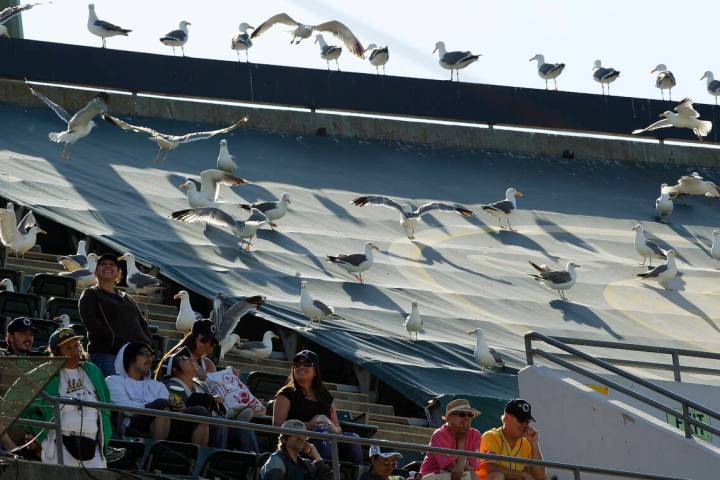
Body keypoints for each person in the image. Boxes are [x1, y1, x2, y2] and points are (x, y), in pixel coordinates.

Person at [17, 328, 113, 467]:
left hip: (94, 443)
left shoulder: (93, 371)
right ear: (56, 352)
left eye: (76, 345)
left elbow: (106, 402)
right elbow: (16, 403)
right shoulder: (44, 374)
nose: (74, 351)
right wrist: (38, 429)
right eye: (68, 348)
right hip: (58, 442)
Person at [273, 350, 363, 465]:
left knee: (353, 439)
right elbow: (277, 425)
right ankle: (325, 473)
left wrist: (334, 429)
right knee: (323, 434)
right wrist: (308, 425)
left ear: (316, 371)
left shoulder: (324, 395)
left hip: (327, 437)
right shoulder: (286, 393)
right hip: (299, 441)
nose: (301, 367)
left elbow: (337, 427)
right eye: (297, 364)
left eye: (306, 364)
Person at [79, 253, 152, 377]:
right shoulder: (90, 293)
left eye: (112, 264)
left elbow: (142, 322)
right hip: (108, 355)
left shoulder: (127, 297)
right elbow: (91, 322)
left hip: (135, 358)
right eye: (103, 264)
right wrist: (113, 340)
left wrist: (147, 343)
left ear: (118, 273)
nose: (108, 266)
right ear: (95, 271)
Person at [0, 317, 45, 451]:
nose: (28, 338)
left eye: (31, 334)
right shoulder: (2, 359)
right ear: (10, 337)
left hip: (30, 421)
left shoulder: (40, 360)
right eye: (23, 334)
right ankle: (13, 452)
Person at [476, 400, 544, 480]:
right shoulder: (491, 436)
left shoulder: (527, 442)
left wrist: (534, 443)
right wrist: (522, 475)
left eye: (527, 421)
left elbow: (540, 476)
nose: (525, 425)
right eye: (521, 420)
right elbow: (488, 467)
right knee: (497, 476)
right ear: (506, 418)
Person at [420, 399, 483, 480]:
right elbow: (456, 471)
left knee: (472, 476)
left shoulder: (475, 434)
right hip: (431, 475)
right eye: (462, 414)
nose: (466, 418)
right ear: (449, 418)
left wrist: (466, 468)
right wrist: (462, 440)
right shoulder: (440, 434)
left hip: (460, 476)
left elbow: (472, 468)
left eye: (470, 414)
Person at [260, 419, 332, 480]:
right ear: (284, 439)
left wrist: (317, 457)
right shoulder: (276, 460)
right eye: (295, 434)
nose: (300, 437)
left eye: (303, 434)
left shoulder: (305, 464)